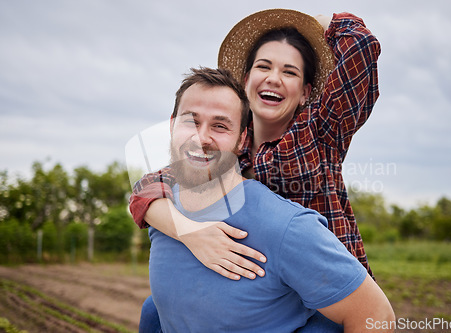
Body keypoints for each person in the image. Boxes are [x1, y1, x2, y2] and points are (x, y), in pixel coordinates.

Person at [130, 8, 381, 282]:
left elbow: (361, 45)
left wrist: (315, 23)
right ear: (245, 81)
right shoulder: (227, 142)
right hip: (263, 286)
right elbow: (147, 188)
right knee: (153, 312)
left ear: (305, 93)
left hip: (326, 288)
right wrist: (189, 232)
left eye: (289, 72)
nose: (274, 78)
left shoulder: (321, 131)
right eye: (263, 66)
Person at [145, 66, 394, 332]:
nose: (201, 137)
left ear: (242, 139)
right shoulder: (163, 205)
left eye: (220, 126)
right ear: (172, 125)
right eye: (190, 121)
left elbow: (377, 316)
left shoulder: (287, 227)